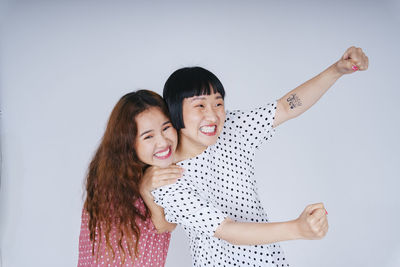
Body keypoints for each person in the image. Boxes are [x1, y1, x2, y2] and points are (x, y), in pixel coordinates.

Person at [145, 46, 369, 266]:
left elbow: (285, 107)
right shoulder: (166, 179)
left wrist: (336, 70)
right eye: (200, 105)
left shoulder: (232, 127)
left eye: (218, 103)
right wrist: (298, 228)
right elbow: (227, 229)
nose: (212, 115)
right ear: (175, 111)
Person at [78, 90, 183, 267]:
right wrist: (144, 188)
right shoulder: (111, 179)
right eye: (148, 136)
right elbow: (164, 225)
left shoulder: (160, 171)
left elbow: (168, 223)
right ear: (129, 142)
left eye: (166, 128)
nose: (163, 141)